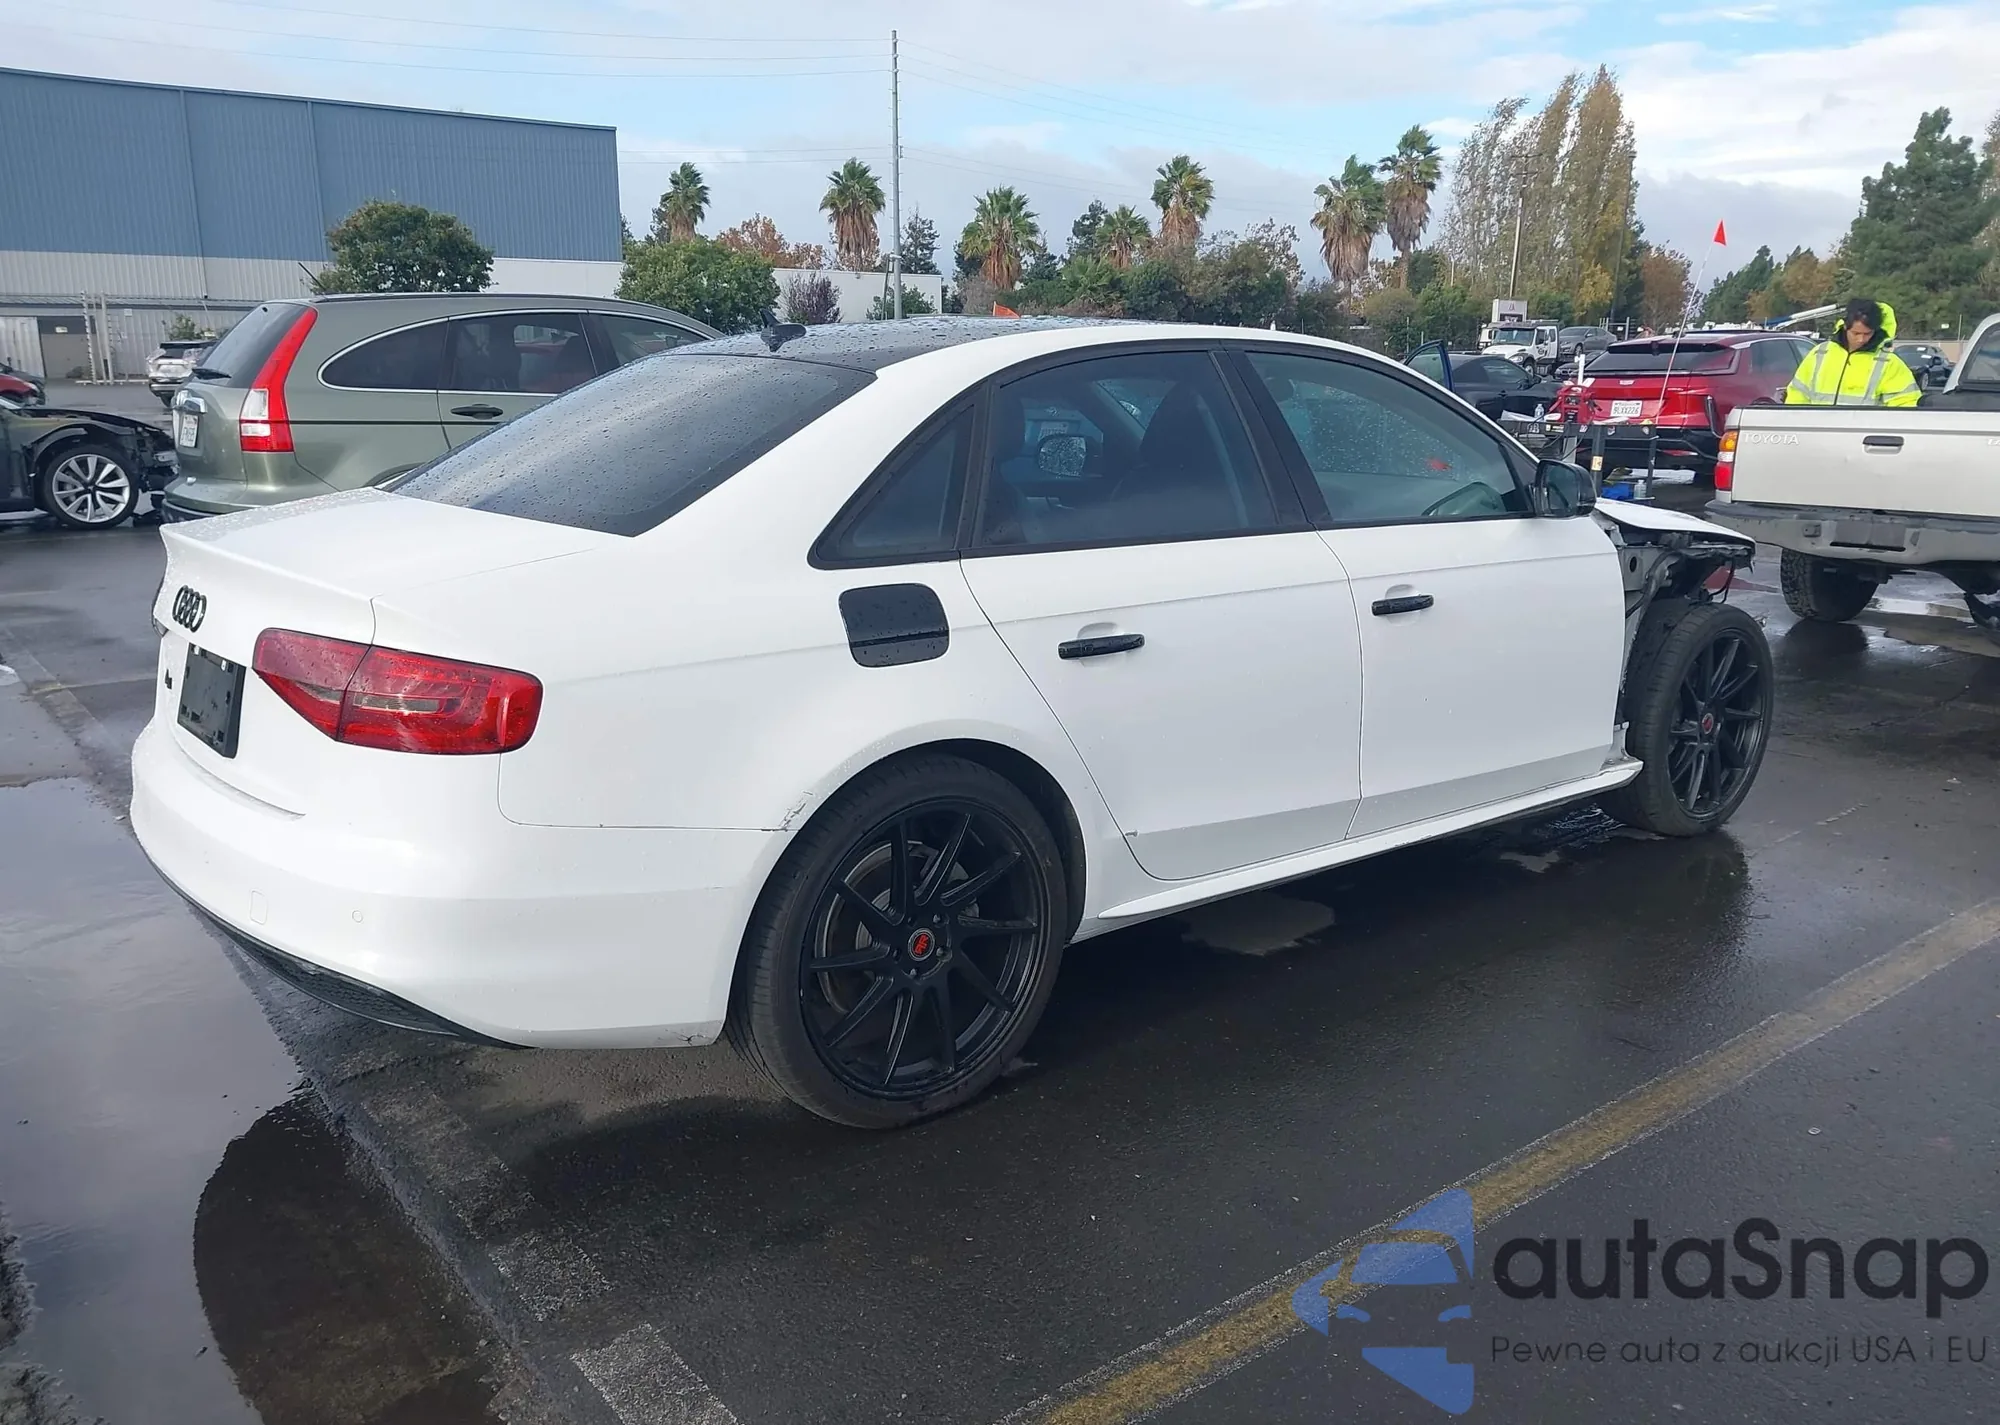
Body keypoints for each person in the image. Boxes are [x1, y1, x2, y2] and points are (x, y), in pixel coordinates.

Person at [1785, 298, 1921, 407]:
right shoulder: (1820, 353)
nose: (1861, 339)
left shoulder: (1889, 363)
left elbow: (1905, 405)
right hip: (1817, 431)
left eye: (1867, 334)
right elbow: (1797, 395)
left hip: (1864, 433)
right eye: (1856, 333)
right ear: (1845, 326)